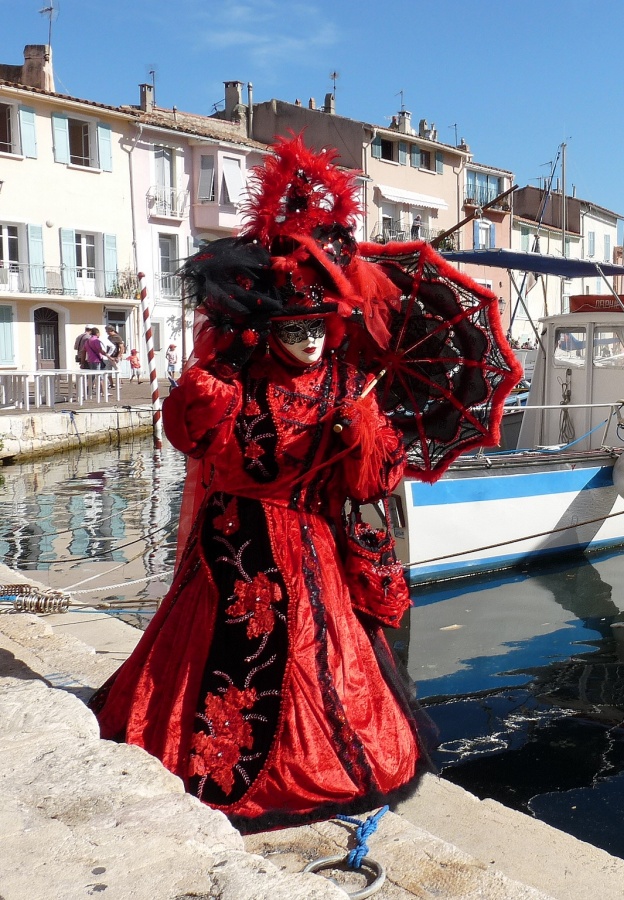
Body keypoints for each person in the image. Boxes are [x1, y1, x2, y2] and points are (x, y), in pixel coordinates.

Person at [89, 136, 442, 833]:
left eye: (319, 324)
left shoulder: (349, 385)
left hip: (311, 548)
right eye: (294, 326)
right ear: (265, 328)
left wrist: (359, 432)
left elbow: (372, 480)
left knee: (318, 660)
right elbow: (191, 439)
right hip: (232, 543)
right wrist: (203, 388)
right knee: (215, 657)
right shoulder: (234, 385)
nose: (310, 338)